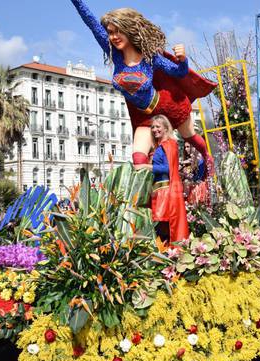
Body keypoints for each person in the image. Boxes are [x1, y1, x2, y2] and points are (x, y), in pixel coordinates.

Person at [70, 0, 217, 175]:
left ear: (130, 30)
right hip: (143, 116)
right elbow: (91, 22)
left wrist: (183, 59)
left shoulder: (150, 57)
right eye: (110, 32)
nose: (114, 36)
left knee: (190, 137)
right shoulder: (116, 56)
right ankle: (157, 191)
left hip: (167, 105)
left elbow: (178, 72)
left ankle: (208, 157)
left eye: (119, 31)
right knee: (138, 159)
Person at [136, 115, 189, 244]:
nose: (154, 129)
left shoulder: (168, 145)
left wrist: (146, 166)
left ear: (166, 128)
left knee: (163, 228)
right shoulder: (163, 146)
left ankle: (168, 257)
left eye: (158, 126)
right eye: (152, 127)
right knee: (161, 228)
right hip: (160, 192)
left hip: (165, 193)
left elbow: (168, 169)